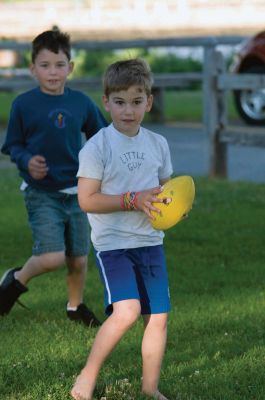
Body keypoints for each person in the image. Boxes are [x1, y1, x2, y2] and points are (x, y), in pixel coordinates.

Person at [71, 58, 173, 400]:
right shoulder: (97, 147)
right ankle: (87, 376)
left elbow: (165, 193)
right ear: (105, 102)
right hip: (113, 245)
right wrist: (132, 199)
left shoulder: (158, 144)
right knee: (127, 310)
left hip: (150, 242)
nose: (128, 111)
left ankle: (150, 388)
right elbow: (87, 199)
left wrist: (174, 209)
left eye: (136, 101)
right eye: (119, 102)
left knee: (157, 317)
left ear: (149, 101)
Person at [0, 29, 107, 327]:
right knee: (51, 258)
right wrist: (26, 160)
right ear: (32, 69)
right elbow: (12, 145)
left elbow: (101, 136)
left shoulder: (81, 103)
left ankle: (75, 306)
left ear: (70, 68)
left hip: (78, 192)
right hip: (41, 192)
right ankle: (14, 281)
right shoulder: (23, 104)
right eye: (44, 65)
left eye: (59, 65)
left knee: (78, 258)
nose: (52, 72)